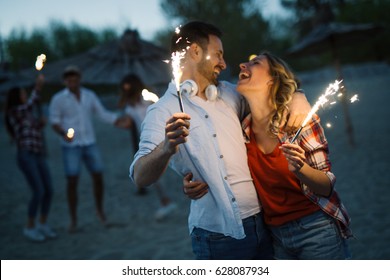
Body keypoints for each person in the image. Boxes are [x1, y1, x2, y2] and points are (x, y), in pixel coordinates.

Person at [130, 21, 310, 260]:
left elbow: (273, 92)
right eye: (218, 55)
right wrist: (166, 147)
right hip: (218, 235)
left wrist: (298, 96)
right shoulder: (162, 111)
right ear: (194, 51)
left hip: (265, 224)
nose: (223, 64)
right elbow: (140, 177)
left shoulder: (230, 93)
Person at [186, 51, 352, 259]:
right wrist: (193, 181)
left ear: (272, 80)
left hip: (316, 228)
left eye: (255, 63)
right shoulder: (241, 129)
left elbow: (326, 187)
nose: (242, 65)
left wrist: (302, 169)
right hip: (275, 236)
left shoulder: (299, 122)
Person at [49, 65, 130, 232]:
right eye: (69, 79)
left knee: (98, 176)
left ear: (79, 78)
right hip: (71, 145)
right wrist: (63, 133)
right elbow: (54, 121)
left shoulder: (89, 95)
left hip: (89, 142)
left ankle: (100, 211)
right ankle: (73, 219)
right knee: (72, 181)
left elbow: (102, 113)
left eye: (75, 78)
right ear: (65, 81)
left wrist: (118, 121)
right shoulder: (58, 99)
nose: (72, 81)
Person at [4, 75, 57, 242]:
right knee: (38, 191)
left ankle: (42, 223)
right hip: (26, 155)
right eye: (23, 93)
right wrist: (38, 87)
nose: (25, 95)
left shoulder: (26, 113)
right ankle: (29, 226)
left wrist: (40, 124)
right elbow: (30, 104)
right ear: (16, 97)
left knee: (48, 190)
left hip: (38, 153)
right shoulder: (15, 111)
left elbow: (31, 131)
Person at [118, 73, 177, 221]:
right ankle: (166, 201)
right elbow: (129, 124)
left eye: (129, 90)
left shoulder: (148, 99)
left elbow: (162, 110)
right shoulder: (130, 107)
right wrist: (115, 121)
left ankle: (167, 200)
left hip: (162, 134)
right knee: (155, 173)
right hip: (147, 141)